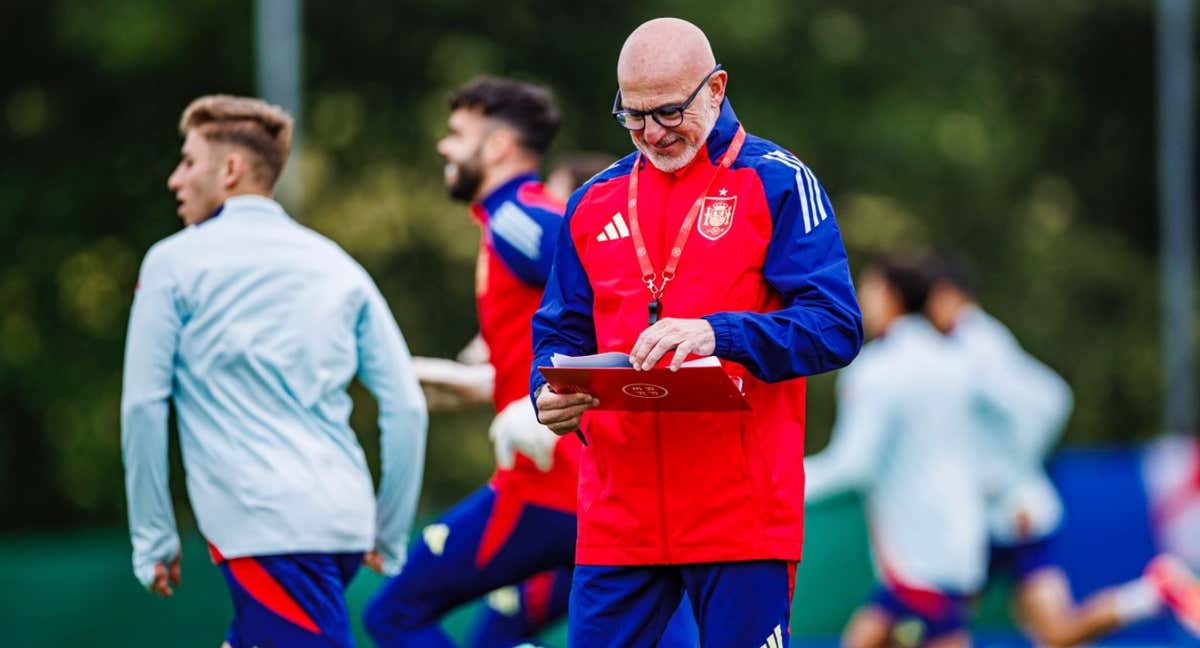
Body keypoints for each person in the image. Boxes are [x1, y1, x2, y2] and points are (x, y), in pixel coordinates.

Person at [530, 18, 863, 647]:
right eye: (633, 116)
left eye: (668, 112)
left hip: (738, 517)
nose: (652, 134)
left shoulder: (778, 179)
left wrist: (720, 334)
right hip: (617, 517)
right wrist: (546, 392)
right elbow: (557, 330)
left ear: (716, 88)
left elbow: (837, 326)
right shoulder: (593, 200)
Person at [121, 94, 428, 648]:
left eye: (188, 161)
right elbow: (406, 404)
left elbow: (143, 405)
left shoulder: (171, 262)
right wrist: (389, 526)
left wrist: (152, 536)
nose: (175, 179)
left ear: (231, 169)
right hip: (342, 521)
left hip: (269, 532)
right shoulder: (337, 262)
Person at [364, 77, 580, 648]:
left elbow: (616, 298)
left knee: (392, 614)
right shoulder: (504, 222)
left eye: (458, 133)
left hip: (547, 486)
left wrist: (540, 411)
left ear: (500, 146)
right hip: (567, 484)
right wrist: (474, 383)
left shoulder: (519, 219)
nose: (444, 146)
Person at [925, 258, 1200, 644]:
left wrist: (1009, 479)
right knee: (1054, 633)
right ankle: (1151, 593)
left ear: (948, 296)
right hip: (989, 517)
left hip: (1009, 515)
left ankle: (1155, 591)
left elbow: (1050, 401)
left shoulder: (978, 345)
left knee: (927, 622)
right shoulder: (960, 343)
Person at [803, 256, 987, 648]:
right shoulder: (955, 359)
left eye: (867, 289)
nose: (860, 299)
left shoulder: (876, 370)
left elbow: (853, 465)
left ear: (891, 296)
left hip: (914, 554)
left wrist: (782, 480)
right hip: (962, 538)